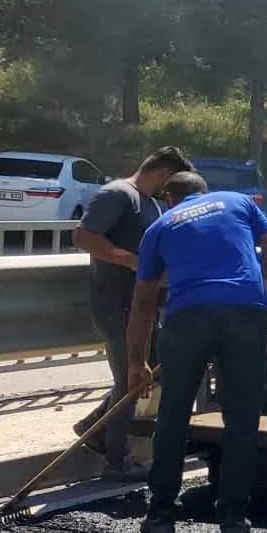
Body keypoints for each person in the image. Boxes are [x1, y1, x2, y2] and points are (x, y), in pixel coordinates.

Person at [125, 171, 267, 533]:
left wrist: (137, 361)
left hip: (187, 317)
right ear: (204, 192)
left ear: (169, 199)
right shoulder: (239, 201)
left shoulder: (160, 227)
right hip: (245, 312)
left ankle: (161, 514)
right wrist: (248, 285)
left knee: (174, 415)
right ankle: (232, 517)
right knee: (242, 417)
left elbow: (142, 304)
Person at [70, 145, 193, 480]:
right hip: (116, 302)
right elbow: (83, 236)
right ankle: (116, 462)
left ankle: (94, 428)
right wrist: (132, 261)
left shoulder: (148, 201)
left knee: (144, 373)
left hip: (142, 306)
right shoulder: (117, 195)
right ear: (165, 173)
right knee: (129, 379)